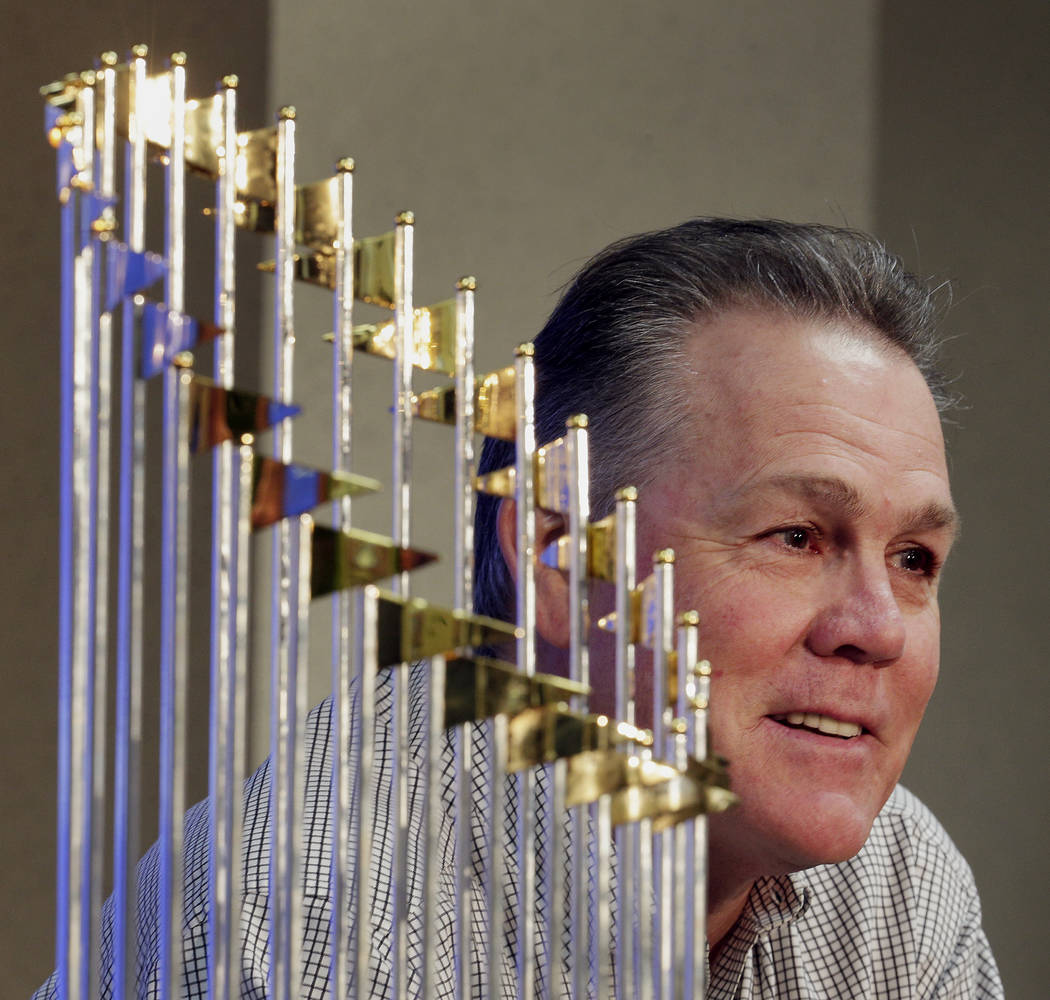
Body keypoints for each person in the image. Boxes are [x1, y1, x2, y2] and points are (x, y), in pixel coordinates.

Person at [35, 218, 1003, 998]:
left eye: (915, 558)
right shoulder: (321, 903)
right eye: (796, 536)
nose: (877, 626)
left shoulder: (904, 889)